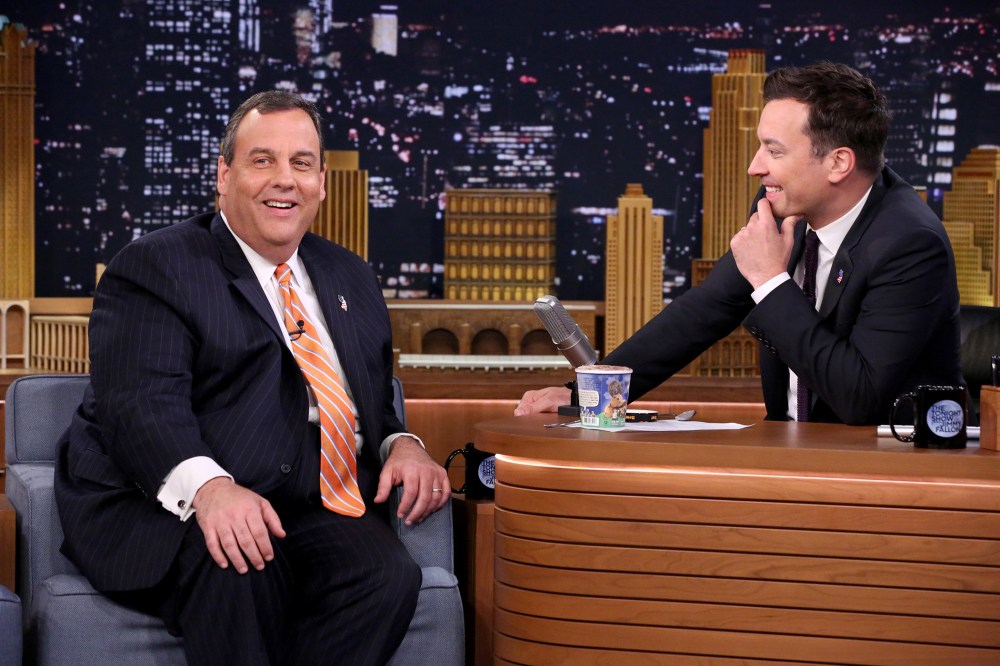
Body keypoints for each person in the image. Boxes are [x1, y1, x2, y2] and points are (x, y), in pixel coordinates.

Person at [55, 91, 451, 666]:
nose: (284, 179)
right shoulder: (156, 266)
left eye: (301, 163)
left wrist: (403, 444)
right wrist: (212, 490)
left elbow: (368, 404)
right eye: (262, 160)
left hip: (304, 500)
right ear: (224, 175)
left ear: (321, 183)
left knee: (385, 577)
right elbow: (140, 405)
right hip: (164, 501)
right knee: (242, 563)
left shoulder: (351, 276)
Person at [516, 62, 962, 425]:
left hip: (888, 468)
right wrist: (588, 392)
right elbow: (705, 310)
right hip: (787, 448)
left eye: (774, 151)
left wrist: (770, 280)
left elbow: (859, 398)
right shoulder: (780, 206)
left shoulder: (910, 245)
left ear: (838, 163)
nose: (755, 167)